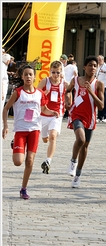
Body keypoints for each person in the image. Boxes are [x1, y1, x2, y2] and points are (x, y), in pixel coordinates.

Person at [2, 65, 59, 199]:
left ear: (34, 77)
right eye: (26, 74)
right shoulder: (18, 92)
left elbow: (44, 109)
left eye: (30, 74)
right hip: (21, 130)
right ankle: (15, 144)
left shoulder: (40, 93)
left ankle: (24, 188)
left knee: (30, 160)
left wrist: (53, 112)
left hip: (34, 129)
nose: (28, 77)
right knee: (18, 162)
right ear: (22, 77)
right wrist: (5, 126)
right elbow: (6, 109)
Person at [65, 56, 105, 188]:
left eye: (95, 66)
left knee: (85, 146)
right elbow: (68, 91)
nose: (92, 68)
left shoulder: (99, 84)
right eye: (90, 65)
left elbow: (101, 106)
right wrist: (67, 100)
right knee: (80, 139)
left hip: (90, 118)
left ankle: (78, 175)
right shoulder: (76, 80)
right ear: (84, 67)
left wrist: (91, 92)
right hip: (76, 114)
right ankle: (73, 160)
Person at [37, 60, 68, 174]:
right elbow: (35, 95)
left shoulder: (65, 84)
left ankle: (48, 161)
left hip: (56, 115)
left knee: (53, 136)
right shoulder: (45, 81)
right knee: (45, 139)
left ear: (61, 73)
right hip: (43, 114)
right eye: (53, 72)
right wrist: (44, 93)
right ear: (50, 71)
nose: (55, 75)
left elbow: (71, 94)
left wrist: (68, 106)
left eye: (58, 73)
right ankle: (45, 137)